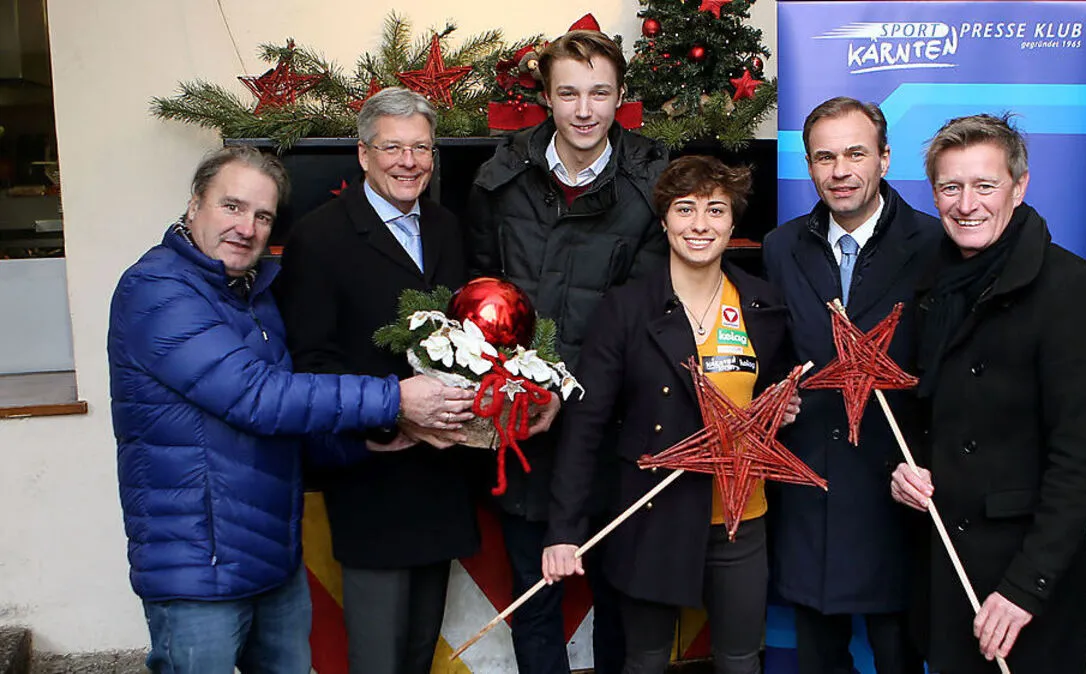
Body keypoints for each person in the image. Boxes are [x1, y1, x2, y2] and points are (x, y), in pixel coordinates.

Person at [109, 146, 424, 673]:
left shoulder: (251, 295)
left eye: (262, 216)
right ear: (194, 206)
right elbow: (255, 397)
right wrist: (396, 396)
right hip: (198, 570)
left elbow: (279, 414)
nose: (246, 227)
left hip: (273, 562)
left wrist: (362, 440)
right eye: (231, 207)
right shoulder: (157, 289)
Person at [543, 155, 801, 674]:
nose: (700, 225)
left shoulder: (763, 305)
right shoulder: (627, 308)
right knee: (645, 660)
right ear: (664, 221)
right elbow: (586, 426)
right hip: (650, 516)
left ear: (733, 222)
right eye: (685, 209)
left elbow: (776, 387)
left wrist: (782, 406)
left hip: (739, 520)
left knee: (739, 659)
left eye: (716, 209)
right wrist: (563, 530)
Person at [468, 28, 669, 674]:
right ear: (547, 98)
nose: (585, 110)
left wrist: (565, 389)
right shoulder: (500, 182)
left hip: (610, 430)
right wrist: (511, 385)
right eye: (570, 93)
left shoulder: (651, 188)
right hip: (520, 428)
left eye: (600, 93)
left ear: (619, 98)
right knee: (534, 593)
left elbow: (646, 319)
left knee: (618, 598)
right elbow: (477, 293)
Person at [890, 113, 1086, 672]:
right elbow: (917, 411)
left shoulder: (1072, 290)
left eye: (985, 185)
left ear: (1020, 187)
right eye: (951, 187)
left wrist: (1025, 589)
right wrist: (905, 469)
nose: (967, 204)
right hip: (944, 567)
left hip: (1022, 581)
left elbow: (1080, 462)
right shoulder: (929, 283)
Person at [274, 88, 482, 674]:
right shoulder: (320, 238)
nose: (408, 161)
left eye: (421, 147)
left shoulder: (446, 227)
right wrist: (392, 415)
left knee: (419, 650)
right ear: (363, 155)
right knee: (377, 655)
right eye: (392, 147)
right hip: (373, 472)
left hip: (443, 472)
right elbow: (308, 363)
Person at [761, 97, 938, 673]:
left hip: (897, 486)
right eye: (824, 157)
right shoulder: (781, 246)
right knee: (817, 654)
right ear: (809, 166)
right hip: (811, 482)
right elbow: (775, 353)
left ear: (885, 159)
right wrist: (774, 399)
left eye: (855, 153)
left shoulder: (936, 245)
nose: (839, 171)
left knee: (898, 652)